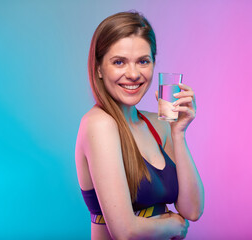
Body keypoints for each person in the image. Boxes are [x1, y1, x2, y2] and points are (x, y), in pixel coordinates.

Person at [75, 11, 204, 239]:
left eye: (143, 61)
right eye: (119, 62)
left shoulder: (158, 124)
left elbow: (192, 210)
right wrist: (173, 226)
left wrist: (179, 133)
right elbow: (125, 232)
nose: (133, 74)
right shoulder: (98, 124)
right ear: (98, 69)